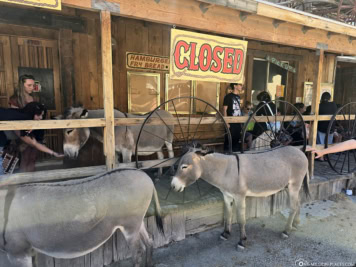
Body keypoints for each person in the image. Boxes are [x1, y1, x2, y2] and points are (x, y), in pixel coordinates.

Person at [0, 102, 63, 174]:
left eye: (42, 115)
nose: (41, 118)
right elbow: (34, 143)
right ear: (31, 113)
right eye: (38, 115)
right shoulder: (19, 120)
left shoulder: (27, 120)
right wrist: (53, 153)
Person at [316, 92, 338, 160]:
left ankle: (321, 157)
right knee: (329, 142)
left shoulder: (320, 105)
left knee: (321, 142)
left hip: (321, 126)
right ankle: (327, 156)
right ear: (329, 98)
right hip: (330, 126)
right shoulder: (333, 105)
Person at [223, 83, 243, 152]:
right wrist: (226, 122)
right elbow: (225, 110)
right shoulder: (228, 97)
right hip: (231, 122)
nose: (241, 86)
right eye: (240, 84)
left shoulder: (238, 97)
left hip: (237, 122)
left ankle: (235, 155)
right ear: (235, 86)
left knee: (236, 140)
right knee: (229, 140)